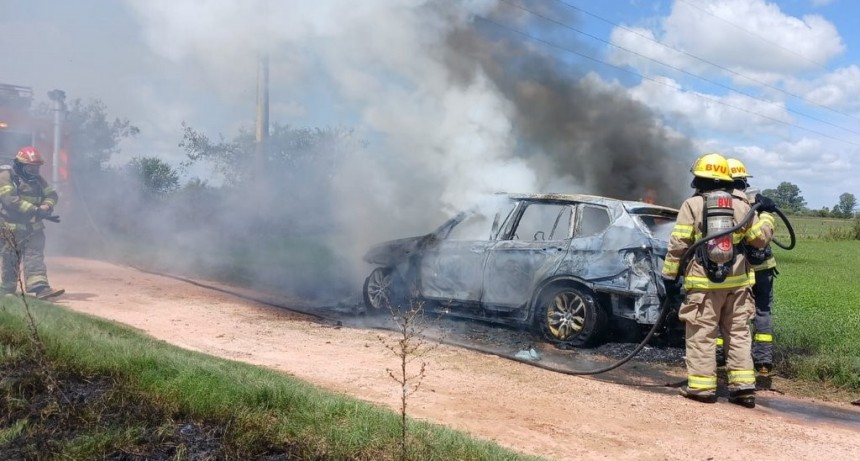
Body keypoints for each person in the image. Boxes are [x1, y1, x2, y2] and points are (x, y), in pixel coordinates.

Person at [662, 153, 775, 408]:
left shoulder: (692, 205)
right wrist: (766, 215)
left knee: (702, 334)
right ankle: (744, 389)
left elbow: (679, 244)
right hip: (737, 285)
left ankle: (701, 388)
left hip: (703, 285)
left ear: (699, 180)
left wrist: (669, 276)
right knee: (738, 334)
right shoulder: (742, 204)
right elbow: (760, 239)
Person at [727, 157, 778, 376]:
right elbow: (762, 236)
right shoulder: (753, 201)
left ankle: (724, 355)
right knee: (762, 312)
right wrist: (767, 213)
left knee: (731, 312)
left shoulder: (722, 203)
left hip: (738, 269)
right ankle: (763, 362)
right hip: (763, 266)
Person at [0, 146, 64, 299]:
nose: (34, 172)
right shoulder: (6, 177)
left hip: (33, 228)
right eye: (31, 168)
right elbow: (10, 201)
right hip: (10, 228)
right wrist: (36, 210)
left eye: (37, 168)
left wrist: (47, 205)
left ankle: (41, 289)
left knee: (34, 256)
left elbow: (52, 194)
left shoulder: (39, 181)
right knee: (10, 259)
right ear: (20, 165)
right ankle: (7, 290)